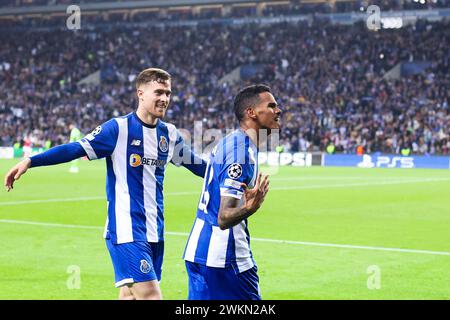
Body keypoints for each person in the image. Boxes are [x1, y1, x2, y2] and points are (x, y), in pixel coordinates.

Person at [4, 68, 206, 300]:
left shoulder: (169, 134)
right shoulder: (117, 129)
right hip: (125, 229)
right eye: (158, 92)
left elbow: (197, 165)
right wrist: (31, 160)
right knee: (150, 295)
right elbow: (75, 148)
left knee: (129, 295)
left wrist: (233, 177)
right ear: (140, 93)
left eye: (168, 93)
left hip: (155, 229)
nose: (164, 99)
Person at [183, 84, 282, 300]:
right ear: (251, 113)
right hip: (225, 260)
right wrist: (250, 207)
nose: (278, 110)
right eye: (271, 106)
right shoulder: (241, 152)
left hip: (199, 253)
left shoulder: (229, 142)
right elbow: (224, 217)